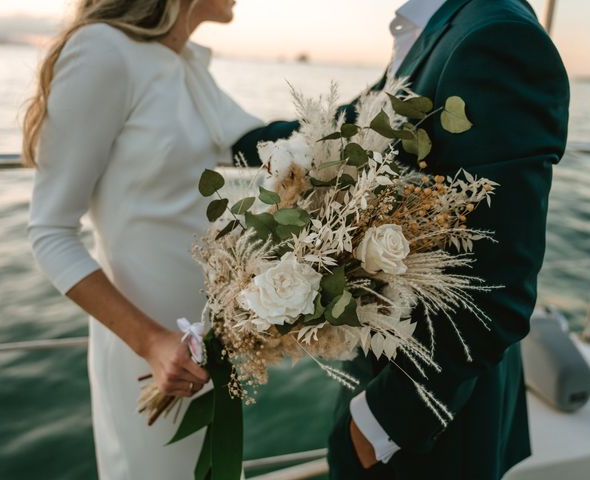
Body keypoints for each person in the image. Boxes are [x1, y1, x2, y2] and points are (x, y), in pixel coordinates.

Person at [237, 0, 570, 478]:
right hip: (390, 370)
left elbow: (500, 282)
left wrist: (381, 424)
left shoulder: (494, 35)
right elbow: (352, 127)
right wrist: (237, 138)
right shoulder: (438, 24)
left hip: (430, 416)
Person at [24, 1, 266, 478]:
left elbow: (275, 144)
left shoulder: (187, 64)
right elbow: (49, 232)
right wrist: (153, 343)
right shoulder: (103, 51)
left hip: (205, 355)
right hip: (151, 363)